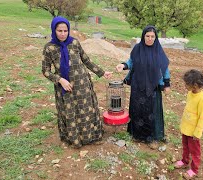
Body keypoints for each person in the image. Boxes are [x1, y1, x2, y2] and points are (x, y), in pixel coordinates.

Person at [42, 16, 112, 148]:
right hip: (66, 87)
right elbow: (45, 70)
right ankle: (74, 139)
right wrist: (60, 80)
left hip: (83, 85)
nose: (63, 34)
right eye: (59, 31)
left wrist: (102, 72)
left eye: (65, 30)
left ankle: (93, 137)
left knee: (87, 111)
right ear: (54, 30)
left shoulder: (74, 43)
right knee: (70, 112)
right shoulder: (49, 48)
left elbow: (86, 60)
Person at [116, 25, 170, 148]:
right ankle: (137, 135)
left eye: (152, 36)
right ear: (143, 36)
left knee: (152, 112)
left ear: (156, 38)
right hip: (138, 84)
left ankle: (152, 138)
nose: (150, 39)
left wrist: (167, 84)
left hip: (153, 86)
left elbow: (165, 68)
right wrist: (123, 65)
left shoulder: (158, 51)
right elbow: (131, 62)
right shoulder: (137, 49)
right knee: (137, 110)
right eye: (147, 36)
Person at [174, 69, 203, 179]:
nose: (185, 86)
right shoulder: (190, 93)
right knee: (185, 147)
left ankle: (194, 169)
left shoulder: (202, 99)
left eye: (186, 84)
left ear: (194, 85)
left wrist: (197, 132)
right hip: (186, 128)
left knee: (195, 151)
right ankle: (184, 161)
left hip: (194, 132)